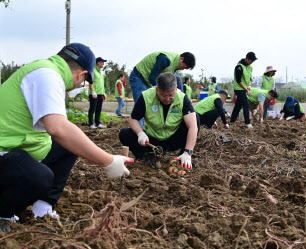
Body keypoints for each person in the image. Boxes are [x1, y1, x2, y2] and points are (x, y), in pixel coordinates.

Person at [0, 43, 132, 230]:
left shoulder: (45, 71)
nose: (79, 86)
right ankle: (3, 213)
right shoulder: (48, 76)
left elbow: (62, 131)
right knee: (39, 176)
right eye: (84, 81)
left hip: (14, 149)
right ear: (82, 74)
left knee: (69, 145)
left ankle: (42, 210)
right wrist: (108, 161)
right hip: (4, 152)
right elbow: (58, 128)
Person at [119, 73, 199, 169]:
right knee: (124, 133)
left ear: (176, 88)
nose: (168, 99)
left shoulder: (182, 98)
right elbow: (133, 119)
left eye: (171, 95)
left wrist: (188, 151)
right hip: (152, 140)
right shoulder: (146, 97)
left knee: (196, 118)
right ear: (157, 89)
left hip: (173, 139)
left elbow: (193, 126)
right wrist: (140, 133)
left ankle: (183, 157)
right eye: (164, 96)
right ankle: (146, 157)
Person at [129, 52, 196, 127]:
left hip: (148, 81)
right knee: (141, 107)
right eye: (184, 67)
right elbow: (152, 77)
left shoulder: (174, 68)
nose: (183, 69)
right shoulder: (165, 59)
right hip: (139, 77)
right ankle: (139, 134)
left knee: (150, 108)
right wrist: (161, 91)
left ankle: (149, 130)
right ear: (181, 59)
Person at [230, 52, 257, 128]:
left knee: (238, 106)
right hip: (239, 88)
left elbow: (250, 78)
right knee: (246, 104)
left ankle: (232, 121)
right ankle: (247, 123)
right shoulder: (239, 67)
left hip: (245, 88)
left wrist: (249, 85)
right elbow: (238, 80)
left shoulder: (250, 67)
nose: (252, 62)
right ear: (247, 58)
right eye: (251, 60)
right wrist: (246, 90)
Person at [88, 57, 107, 129]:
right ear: (98, 62)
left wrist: (104, 92)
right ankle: (91, 124)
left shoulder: (100, 72)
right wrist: (93, 91)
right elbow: (91, 81)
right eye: (102, 62)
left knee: (99, 109)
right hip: (94, 94)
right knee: (92, 109)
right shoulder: (93, 71)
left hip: (100, 93)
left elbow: (101, 83)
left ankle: (98, 123)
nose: (103, 64)